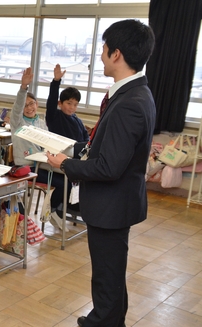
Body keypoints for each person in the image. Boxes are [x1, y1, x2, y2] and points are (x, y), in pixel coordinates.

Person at [46, 19, 155, 327]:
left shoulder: (129, 103)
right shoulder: (134, 93)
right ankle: (110, 318)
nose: (102, 55)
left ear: (117, 54)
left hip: (112, 204)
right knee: (111, 273)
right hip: (117, 202)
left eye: (104, 49)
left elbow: (108, 166)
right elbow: (108, 145)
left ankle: (103, 321)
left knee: (107, 276)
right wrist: (75, 147)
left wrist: (64, 164)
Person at [10, 67, 71, 231]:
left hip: (44, 164)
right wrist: (23, 89)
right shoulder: (18, 124)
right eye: (25, 106)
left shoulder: (41, 122)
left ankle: (53, 210)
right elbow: (16, 110)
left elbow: (48, 144)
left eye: (32, 104)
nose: (29, 108)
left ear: (37, 104)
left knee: (69, 180)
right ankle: (51, 212)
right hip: (27, 167)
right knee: (62, 184)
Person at [45, 64, 90, 142]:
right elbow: (52, 101)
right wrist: (56, 81)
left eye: (75, 104)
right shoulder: (54, 116)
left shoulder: (77, 120)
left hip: (76, 153)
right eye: (69, 103)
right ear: (60, 103)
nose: (72, 107)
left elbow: (86, 138)